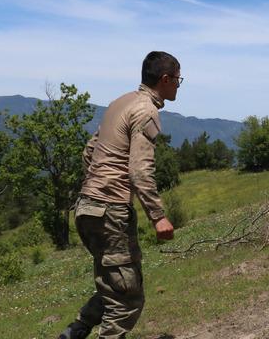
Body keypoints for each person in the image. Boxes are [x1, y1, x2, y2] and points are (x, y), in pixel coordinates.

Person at [59, 52, 180, 339]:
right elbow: (139, 171)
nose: (178, 85)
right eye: (178, 79)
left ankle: (74, 333)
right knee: (128, 299)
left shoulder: (119, 103)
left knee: (114, 286)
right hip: (110, 211)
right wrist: (158, 216)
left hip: (86, 208)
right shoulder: (146, 110)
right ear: (165, 80)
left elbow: (89, 152)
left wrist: (97, 186)